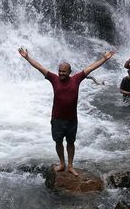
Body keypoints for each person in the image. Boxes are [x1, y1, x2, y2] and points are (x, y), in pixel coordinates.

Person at [18, 47, 115, 176]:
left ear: (69, 72)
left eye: (64, 71)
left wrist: (104, 59)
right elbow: (39, 67)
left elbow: (91, 67)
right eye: (59, 71)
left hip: (72, 119)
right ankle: (62, 163)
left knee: (71, 143)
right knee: (58, 142)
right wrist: (27, 57)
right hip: (57, 118)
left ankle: (70, 166)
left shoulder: (76, 79)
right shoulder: (53, 79)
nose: (61, 73)